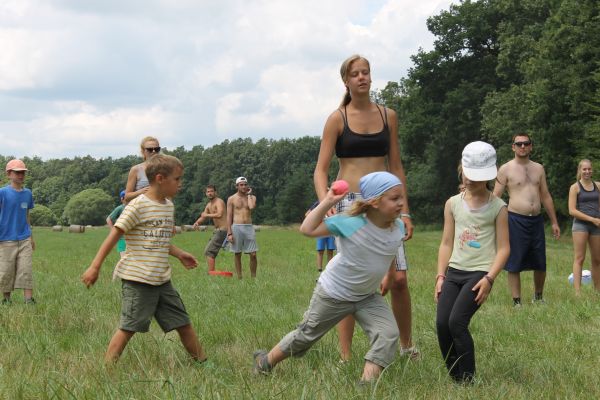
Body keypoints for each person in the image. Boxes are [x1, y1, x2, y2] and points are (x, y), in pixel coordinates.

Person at [253, 172, 404, 383]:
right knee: (305, 335)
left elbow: (390, 250)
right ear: (375, 202)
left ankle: (366, 384)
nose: (401, 203)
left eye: (401, 197)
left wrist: (389, 275)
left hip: (367, 296)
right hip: (334, 293)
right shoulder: (349, 223)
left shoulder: (398, 227)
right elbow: (307, 229)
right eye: (394, 198)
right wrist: (328, 201)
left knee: (388, 334)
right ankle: (264, 362)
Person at [313, 54, 416, 360]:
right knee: (350, 281)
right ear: (346, 81)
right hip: (351, 203)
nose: (362, 77)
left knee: (398, 279)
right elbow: (320, 169)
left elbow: (396, 165)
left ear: (371, 77)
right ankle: (346, 355)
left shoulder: (388, 116)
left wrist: (405, 209)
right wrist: (326, 202)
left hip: (386, 203)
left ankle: (407, 346)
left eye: (366, 72)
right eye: (355, 74)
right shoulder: (337, 118)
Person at [81, 154, 207, 363]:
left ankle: (203, 363)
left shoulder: (168, 206)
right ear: (160, 178)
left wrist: (179, 254)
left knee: (183, 323)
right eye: (177, 179)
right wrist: (95, 267)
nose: (180, 184)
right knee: (129, 327)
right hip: (138, 279)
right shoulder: (137, 206)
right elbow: (114, 236)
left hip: (161, 279)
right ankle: (107, 368)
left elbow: (159, 240)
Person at [435, 141, 509, 383]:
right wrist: (440, 276)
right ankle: (455, 378)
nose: (470, 180)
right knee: (442, 324)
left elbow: (504, 249)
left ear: (488, 177)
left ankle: (468, 382)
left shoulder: (498, 207)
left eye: (476, 177)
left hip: (479, 274)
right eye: (467, 174)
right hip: (454, 272)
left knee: (457, 322)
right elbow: (446, 243)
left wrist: (489, 278)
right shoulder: (452, 203)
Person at [493, 133, 560, 306]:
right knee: (515, 261)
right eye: (519, 144)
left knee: (540, 261)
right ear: (513, 147)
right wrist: (492, 222)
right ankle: (517, 302)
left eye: (526, 143)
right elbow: (496, 197)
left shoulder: (538, 168)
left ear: (531, 146)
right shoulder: (505, 169)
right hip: (515, 219)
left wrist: (554, 221)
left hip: (536, 220)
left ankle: (538, 297)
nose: (522, 146)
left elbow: (545, 196)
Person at [0, 159, 35, 305]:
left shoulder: (28, 194)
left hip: (24, 237)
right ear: (9, 174)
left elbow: (27, 215)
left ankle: (29, 301)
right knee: (6, 270)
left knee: (26, 268)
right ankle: (6, 300)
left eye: (23, 173)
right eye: (18, 172)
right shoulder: (2, 192)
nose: (21, 175)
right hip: (6, 238)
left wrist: (31, 236)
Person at [568, 159, 600, 294]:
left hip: (596, 226)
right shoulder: (575, 187)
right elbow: (572, 210)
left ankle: (597, 290)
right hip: (581, 225)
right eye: (584, 169)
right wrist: (591, 219)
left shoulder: (598, 185)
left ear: (592, 170)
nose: (587, 171)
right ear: (580, 171)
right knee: (579, 258)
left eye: (589, 169)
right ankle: (577, 292)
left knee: (597, 259)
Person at [226, 177, 258, 279]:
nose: (244, 186)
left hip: (248, 227)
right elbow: (229, 216)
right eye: (241, 185)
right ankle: (240, 277)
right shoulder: (231, 199)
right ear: (237, 186)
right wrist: (229, 233)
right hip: (236, 227)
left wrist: (249, 194)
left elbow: (251, 207)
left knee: (253, 254)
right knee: (237, 253)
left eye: (245, 184)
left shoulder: (252, 197)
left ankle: (253, 277)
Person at [193, 185, 228, 273]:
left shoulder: (219, 202)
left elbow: (219, 214)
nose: (210, 193)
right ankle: (211, 272)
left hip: (223, 230)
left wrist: (206, 215)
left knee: (209, 252)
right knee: (208, 251)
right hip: (217, 231)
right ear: (206, 193)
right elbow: (203, 216)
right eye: (208, 192)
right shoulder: (209, 205)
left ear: (215, 192)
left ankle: (211, 273)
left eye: (211, 191)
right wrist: (197, 222)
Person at [124, 136, 161, 202]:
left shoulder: (165, 169)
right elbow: (126, 197)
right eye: (150, 149)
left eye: (156, 149)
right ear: (143, 151)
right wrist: (141, 192)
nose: (153, 151)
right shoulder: (136, 169)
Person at [305, 201, 336, 272]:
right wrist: (317, 220)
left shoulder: (334, 201)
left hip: (331, 230)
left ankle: (329, 270)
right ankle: (319, 270)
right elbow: (307, 214)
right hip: (321, 230)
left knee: (330, 250)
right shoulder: (318, 202)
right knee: (320, 250)